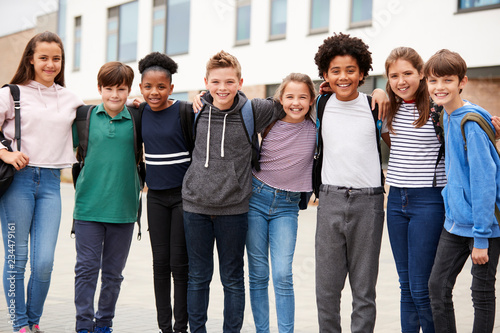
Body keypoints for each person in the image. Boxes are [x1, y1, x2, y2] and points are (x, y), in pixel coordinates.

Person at [181, 50, 284, 333]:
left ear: (240, 82)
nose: (222, 88)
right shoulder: (195, 110)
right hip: (195, 207)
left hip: (235, 210)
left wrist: (322, 91)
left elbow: (290, 99)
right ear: (206, 82)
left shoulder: (254, 110)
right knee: (198, 277)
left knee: (232, 279)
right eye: (215, 82)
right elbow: (158, 108)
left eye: (229, 81)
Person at [0, 31, 83, 333]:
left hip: (51, 183)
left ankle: (33, 320)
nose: (50, 64)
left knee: (44, 262)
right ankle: (21, 325)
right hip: (18, 183)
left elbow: (103, 115)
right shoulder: (12, 93)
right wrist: (5, 154)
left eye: (56, 58)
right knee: (16, 258)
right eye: (44, 57)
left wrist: (136, 104)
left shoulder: (71, 99)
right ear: (31, 59)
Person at [313, 32, 386, 333]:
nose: (343, 77)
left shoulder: (375, 106)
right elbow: (284, 104)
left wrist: (385, 92)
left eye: (350, 70)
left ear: (362, 73)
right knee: (326, 292)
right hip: (329, 201)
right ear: (325, 75)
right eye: (336, 71)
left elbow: (416, 107)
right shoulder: (320, 105)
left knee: (364, 292)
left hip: (369, 205)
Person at [425, 49, 500, 333]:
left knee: (480, 293)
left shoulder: (470, 123)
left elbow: (484, 182)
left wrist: (481, 238)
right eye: (433, 81)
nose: (439, 87)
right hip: (456, 222)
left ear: (462, 82)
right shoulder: (447, 114)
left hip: (484, 226)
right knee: (437, 287)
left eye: (447, 80)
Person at [381, 47, 446, 333]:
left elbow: (470, 118)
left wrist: (491, 127)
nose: (401, 80)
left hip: (429, 202)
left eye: (407, 73)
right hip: (395, 200)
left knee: (421, 286)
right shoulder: (387, 107)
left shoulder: (438, 107)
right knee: (405, 285)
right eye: (394, 75)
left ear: (422, 73)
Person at [73, 62, 141, 333]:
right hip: (88, 209)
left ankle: (104, 325)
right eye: (109, 88)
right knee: (86, 271)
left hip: (123, 211)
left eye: (121, 89)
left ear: (129, 90)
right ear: (99, 89)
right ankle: (83, 326)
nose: (115, 95)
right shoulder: (84, 118)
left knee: (113, 275)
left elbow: (167, 111)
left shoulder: (138, 118)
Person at [246, 73, 316, 333]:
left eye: (302, 97)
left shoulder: (316, 126)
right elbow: (234, 105)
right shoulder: (269, 122)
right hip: (256, 198)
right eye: (290, 96)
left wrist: (377, 93)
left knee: (283, 275)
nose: (296, 102)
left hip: (287, 206)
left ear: (311, 101)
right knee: (258, 274)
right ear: (280, 99)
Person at [138, 52, 190, 333]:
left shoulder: (185, 111)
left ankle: (181, 327)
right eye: (148, 87)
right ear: (141, 87)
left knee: (180, 264)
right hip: (155, 197)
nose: (154, 92)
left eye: (161, 87)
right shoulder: (139, 113)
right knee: (160, 264)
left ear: (171, 87)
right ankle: (164, 328)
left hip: (183, 198)